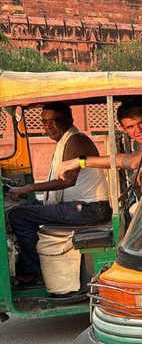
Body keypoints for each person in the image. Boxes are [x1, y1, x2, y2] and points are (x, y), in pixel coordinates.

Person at [8, 103, 111, 286]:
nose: (48, 126)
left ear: (69, 120)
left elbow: (67, 181)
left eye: (54, 121)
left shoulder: (75, 140)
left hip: (88, 208)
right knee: (21, 209)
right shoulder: (66, 140)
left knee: (19, 216)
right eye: (44, 122)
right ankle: (29, 266)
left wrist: (29, 188)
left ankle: (34, 271)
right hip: (76, 205)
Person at [56, 101, 142, 177]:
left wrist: (80, 161)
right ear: (123, 129)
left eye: (141, 123)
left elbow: (133, 162)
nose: (138, 130)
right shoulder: (137, 144)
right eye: (130, 127)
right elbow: (116, 163)